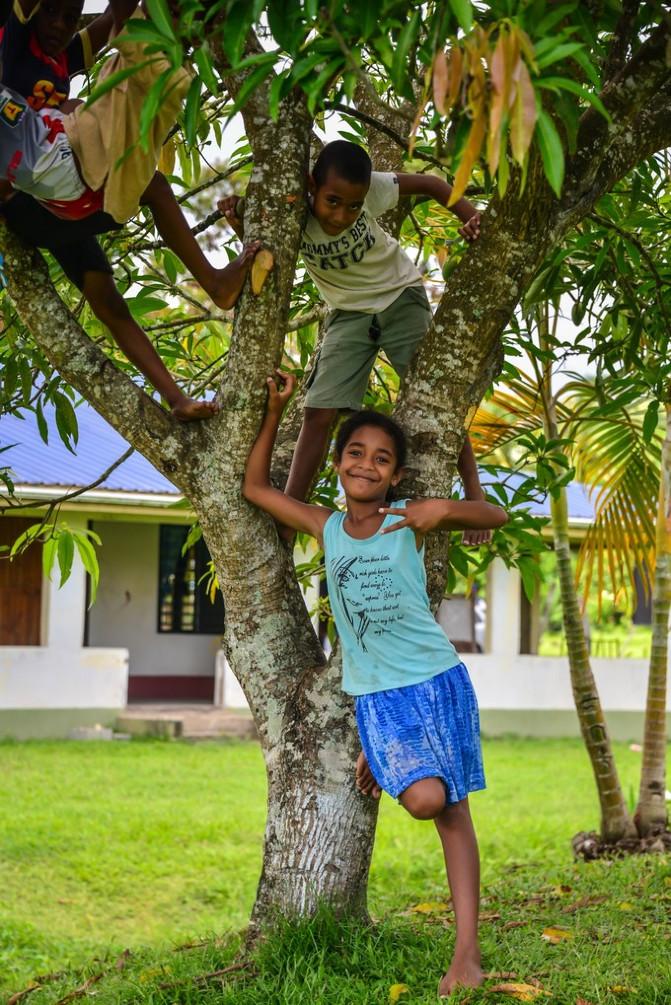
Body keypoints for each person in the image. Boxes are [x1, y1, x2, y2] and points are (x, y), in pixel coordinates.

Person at [243, 370, 508, 997]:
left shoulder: (404, 521)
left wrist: (447, 504)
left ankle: (466, 952)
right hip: (378, 698)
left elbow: (493, 513)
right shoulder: (324, 526)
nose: (367, 464)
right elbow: (255, 488)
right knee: (421, 798)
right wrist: (276, 409)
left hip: (435, 680)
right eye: (356, 453)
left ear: (394, 476)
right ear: (338, 464)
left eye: (382, 459)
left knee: (449, 810)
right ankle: (390, 758)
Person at [0, 0, 259, 420]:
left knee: (107, 297)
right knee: (152, 183)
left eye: (69, 17)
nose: (61, 25)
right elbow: (119, 19)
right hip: (31, 203)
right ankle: (214, 282)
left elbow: (113, 22)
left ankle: (176, 397)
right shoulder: (13, 42)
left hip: (64, 189)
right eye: (51, 14)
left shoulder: (64, 54)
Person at [221, 140, 489, 543]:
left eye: (353, 206)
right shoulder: (289, 210)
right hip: (348, 314)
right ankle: (290, 516)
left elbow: (433, 184)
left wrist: (470, 215)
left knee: (439, 395)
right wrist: (235, 215)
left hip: (401, 296)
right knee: (319, 412)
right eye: (332, 201)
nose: (342, 215)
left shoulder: (374, 190)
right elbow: (249, 221)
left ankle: (473, 491)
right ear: (312, 185)